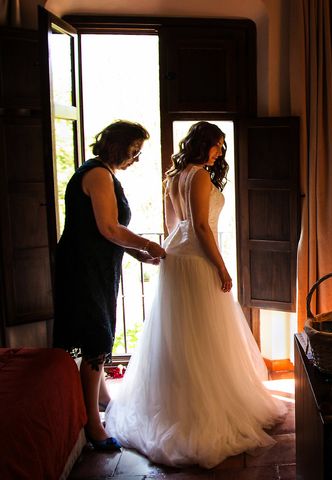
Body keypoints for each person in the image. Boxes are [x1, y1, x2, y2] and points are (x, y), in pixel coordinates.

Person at [105, 121, 286, 468]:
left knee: (182, 338)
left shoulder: (174, 177)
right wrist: (220, 267)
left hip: (177, 258)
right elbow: (201, 227)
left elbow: (175, 227)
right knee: (204, 337)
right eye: (216, 145)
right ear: (202, 144)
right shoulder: (200, 176)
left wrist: (174, 255)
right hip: (197, 260)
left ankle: (179, 406)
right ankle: (204, 414)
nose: (220, 152)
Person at [53, 120, 166, 452]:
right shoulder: (98, 175)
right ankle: (93, 425)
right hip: (83, 269)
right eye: (134, 151)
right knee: (96, 337)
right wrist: (148, 245)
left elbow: (108, 232)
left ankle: (101, 400)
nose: (136, 158)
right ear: (119, 146)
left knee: (98, 333)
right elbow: (109, 228)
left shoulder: (104, 174)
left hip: (97, 266)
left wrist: (137, 255)